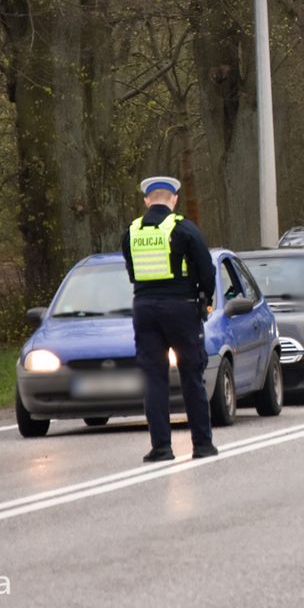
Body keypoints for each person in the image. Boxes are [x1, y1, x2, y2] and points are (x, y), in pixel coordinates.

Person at [121, 176, 218, 462]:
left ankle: (161, 447)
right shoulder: (184, 229)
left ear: (147, 201)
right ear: (174, 199)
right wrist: (206, 298)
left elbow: (131, 270)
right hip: (181, 308)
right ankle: (202, 445)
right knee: (191, 375)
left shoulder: (132, 231)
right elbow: (206, 270)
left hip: (144, 308)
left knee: (154, 378)